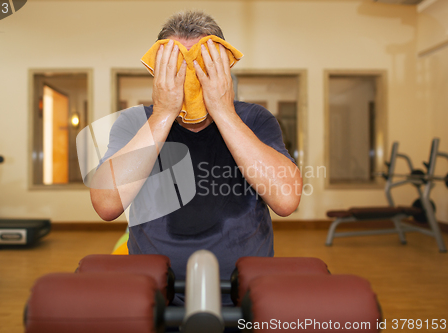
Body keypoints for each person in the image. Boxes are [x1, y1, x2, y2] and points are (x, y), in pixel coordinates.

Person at [90, 10, 302, 306]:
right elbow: (106, 203)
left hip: (244, 294)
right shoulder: (133, 122)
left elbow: (286, 200)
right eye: (177, 67)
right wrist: (164, 113)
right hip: (153, 295)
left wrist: (223, 111)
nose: (190, 79)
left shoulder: (255, 119)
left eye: (201, 67)